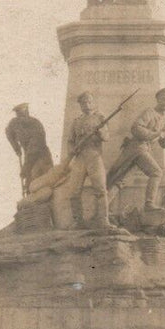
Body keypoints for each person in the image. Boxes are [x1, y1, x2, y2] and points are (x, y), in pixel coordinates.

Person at [107, 88, 165, 209]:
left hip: (142, 150)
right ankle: (149, 204)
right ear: (157, 99)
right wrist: (154, 135)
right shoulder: (149, 112)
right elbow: (136, 128)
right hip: (137, 148)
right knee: (156, 172)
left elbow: (163, 144)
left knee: (121, 181)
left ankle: (102, 211)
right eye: (164, 99)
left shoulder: (163, 120)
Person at [53, 92, 111, 229]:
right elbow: (70, 141)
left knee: (101, 189)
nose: (87, 105)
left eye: (89, 101)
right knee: (74, 191)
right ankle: (78, 221)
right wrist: (72, 150)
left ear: (93, 102)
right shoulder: (76, 122)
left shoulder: (100, 119)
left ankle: (103, 220)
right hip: (79, 159)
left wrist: (100, 132)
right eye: (84, 103)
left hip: (94, 156)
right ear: (80, 105)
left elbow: (106, 137)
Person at [5, 103, 53, 191]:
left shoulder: (36, 125)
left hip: (41, 157)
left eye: (22, 114)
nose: (20, 117)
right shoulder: (15, 123)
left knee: (38, 183)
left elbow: (34, 150)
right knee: (29, 184)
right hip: (29, 157)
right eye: (18, 114)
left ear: (27, 112)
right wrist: (16, 148)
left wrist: (25, 167)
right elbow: (8, 132)